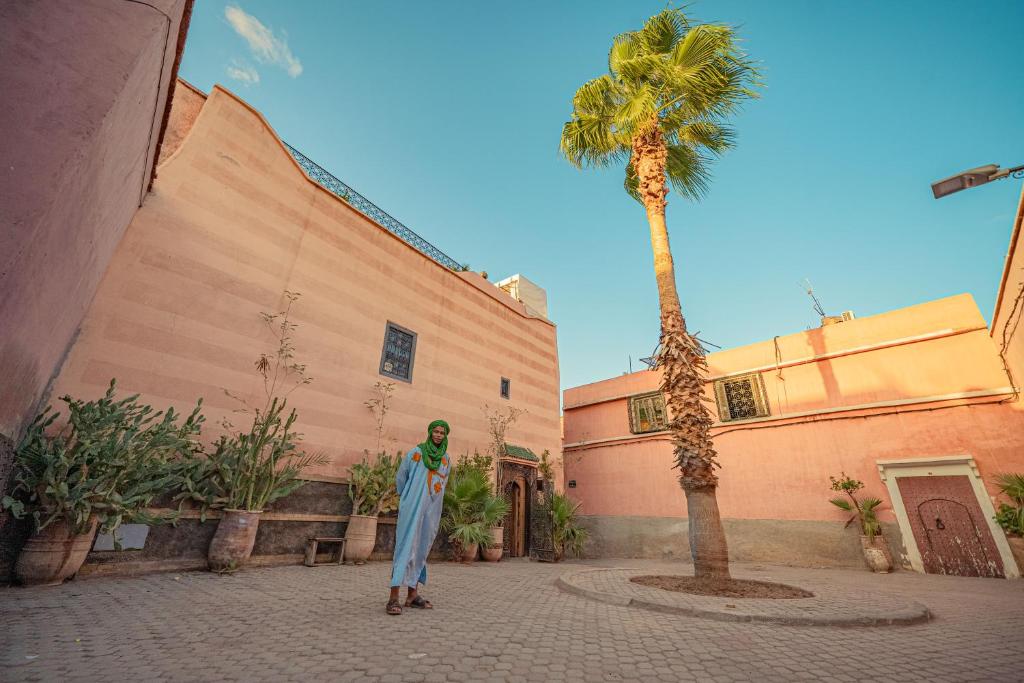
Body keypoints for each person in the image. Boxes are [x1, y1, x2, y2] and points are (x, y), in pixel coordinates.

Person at [386, 419, 452, 615]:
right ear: (430, 432)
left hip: (431, 509)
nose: (438, 435)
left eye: (442, 432)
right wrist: (407, 498)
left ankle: (412, 595)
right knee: (405, 547)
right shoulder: (416, 453)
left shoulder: (446, 459)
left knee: (421, 548)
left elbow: (443, 483)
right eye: (436, 431)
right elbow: (401, 477)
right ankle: (393, 597)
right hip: (412, 507)